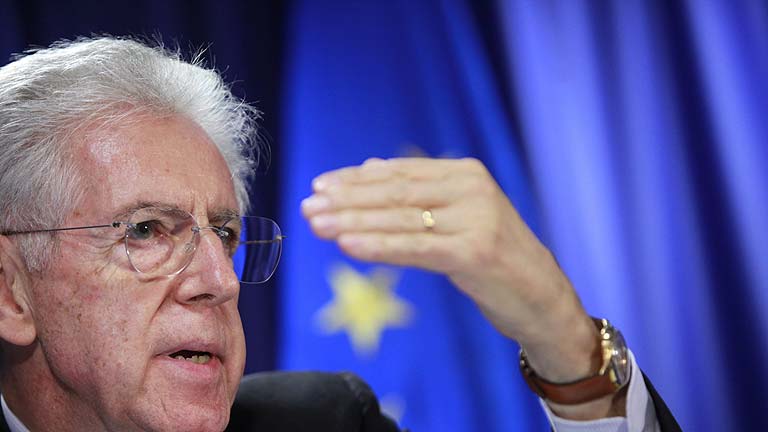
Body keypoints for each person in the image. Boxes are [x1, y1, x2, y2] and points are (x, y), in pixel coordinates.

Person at [0, 37, 679, 431]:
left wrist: (562, 337)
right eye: (147, 230)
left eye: (225, 233)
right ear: (10, 293)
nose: (220, 281)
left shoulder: (322, 424)